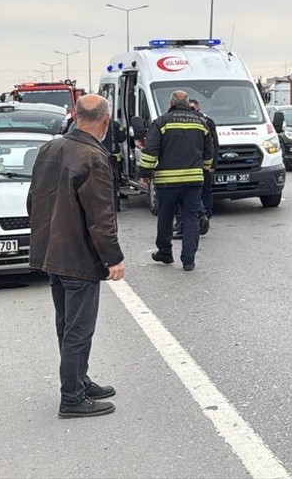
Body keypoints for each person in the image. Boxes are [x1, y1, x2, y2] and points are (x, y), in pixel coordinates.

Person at [27, 94, 126, 419]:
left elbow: (32, 201)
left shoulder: (49, 149)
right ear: (106, 120)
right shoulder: (93, 157)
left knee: (67, 325)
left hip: (52, 253)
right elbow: (101, 217)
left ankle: (79, 380)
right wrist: (113, 258)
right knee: (79, 329)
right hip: (78, 257)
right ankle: (72, 397)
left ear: (75, 115)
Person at [137, 90, 214, 271]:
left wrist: (145, 173)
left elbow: (150, 151)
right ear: (188, 104)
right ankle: (188, 260)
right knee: (191, 218)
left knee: (165, 217)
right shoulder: (201, 123)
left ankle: (165, 252)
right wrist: (205, 170)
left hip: (167, 182)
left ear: (171, 104)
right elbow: (208, 153)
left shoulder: (162, 122)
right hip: (194, 180)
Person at [188, 99, 218, 235]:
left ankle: (204, 216)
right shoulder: (205, 121)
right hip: (198, 163)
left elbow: (214, 144)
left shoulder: (206, 122)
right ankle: (204, 216)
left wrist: (212, 164)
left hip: (197, 163)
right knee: (201, 191)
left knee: (202, 191)